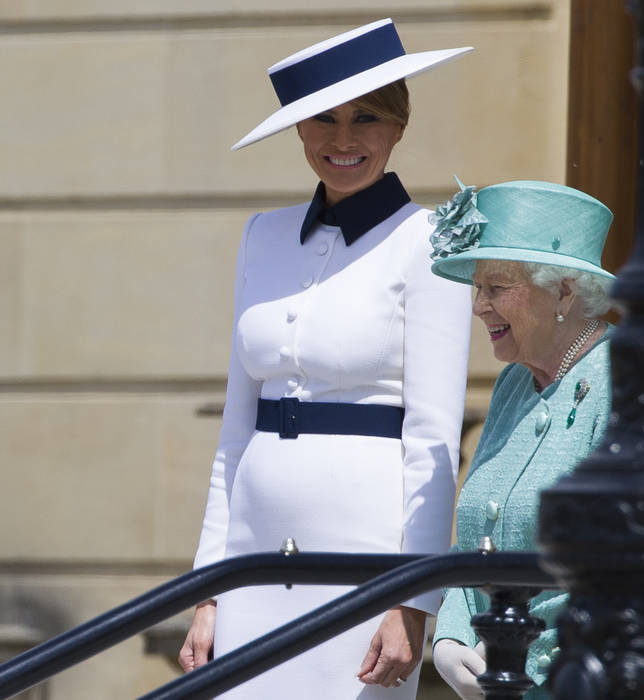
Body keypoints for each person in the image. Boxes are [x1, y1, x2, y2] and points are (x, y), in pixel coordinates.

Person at [177, 20, 473, 698]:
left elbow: (433, 439)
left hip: (363, 560)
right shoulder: (262, 234)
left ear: (398, 126)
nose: (344, 140)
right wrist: (208, 588)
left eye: (366, 117)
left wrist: (412, 599)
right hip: (251, 559)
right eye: (324, 120)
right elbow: (233, 432)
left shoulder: (429, 240)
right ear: (300, 132)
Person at [426, 179, 616, 700]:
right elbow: (477, 536)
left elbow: (618, 568)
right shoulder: (515, 382)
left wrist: (523, 657)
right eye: (477, 287)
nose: (478, 306)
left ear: (562, 291)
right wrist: (453, 635)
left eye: (497, 287)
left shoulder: (626, 379)